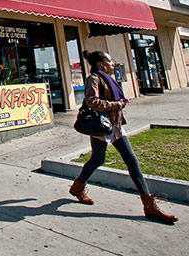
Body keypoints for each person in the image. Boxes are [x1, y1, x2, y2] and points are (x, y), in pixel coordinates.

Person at [69, 50, 178, 224]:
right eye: (110, 61)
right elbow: (92, 101)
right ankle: (78, 187)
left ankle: (148, 205)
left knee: (130, 162)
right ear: (100, 64)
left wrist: (118, 106)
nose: (113, 64)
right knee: (98, 160)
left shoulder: (108, 79)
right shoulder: (94, 78)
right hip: (102, 126)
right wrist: (117, 105)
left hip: (115, 126)